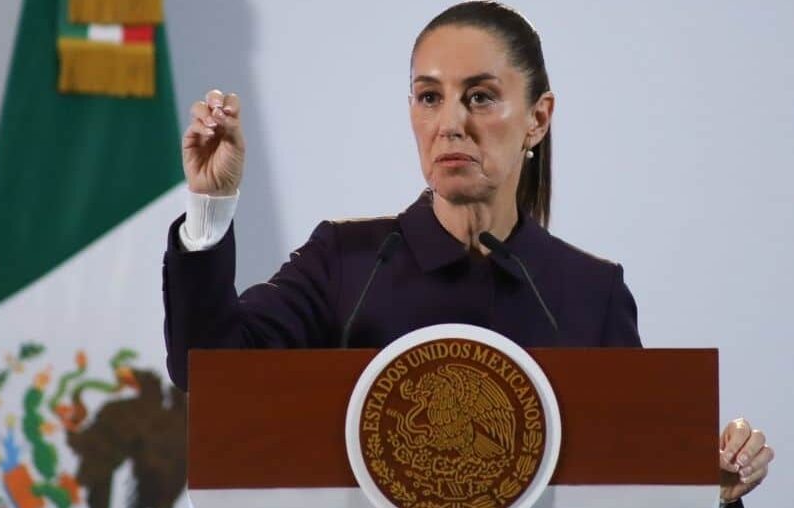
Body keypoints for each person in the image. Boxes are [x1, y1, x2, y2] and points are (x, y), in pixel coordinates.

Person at [161, 2, 772, 505]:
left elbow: (634, 484)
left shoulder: (591, 292)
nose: (450, 123)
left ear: (538, 118)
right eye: (429, 97)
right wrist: (211, 206)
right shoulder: (343, 261)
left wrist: (713, 488)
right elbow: (208, 372)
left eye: (480, 97)